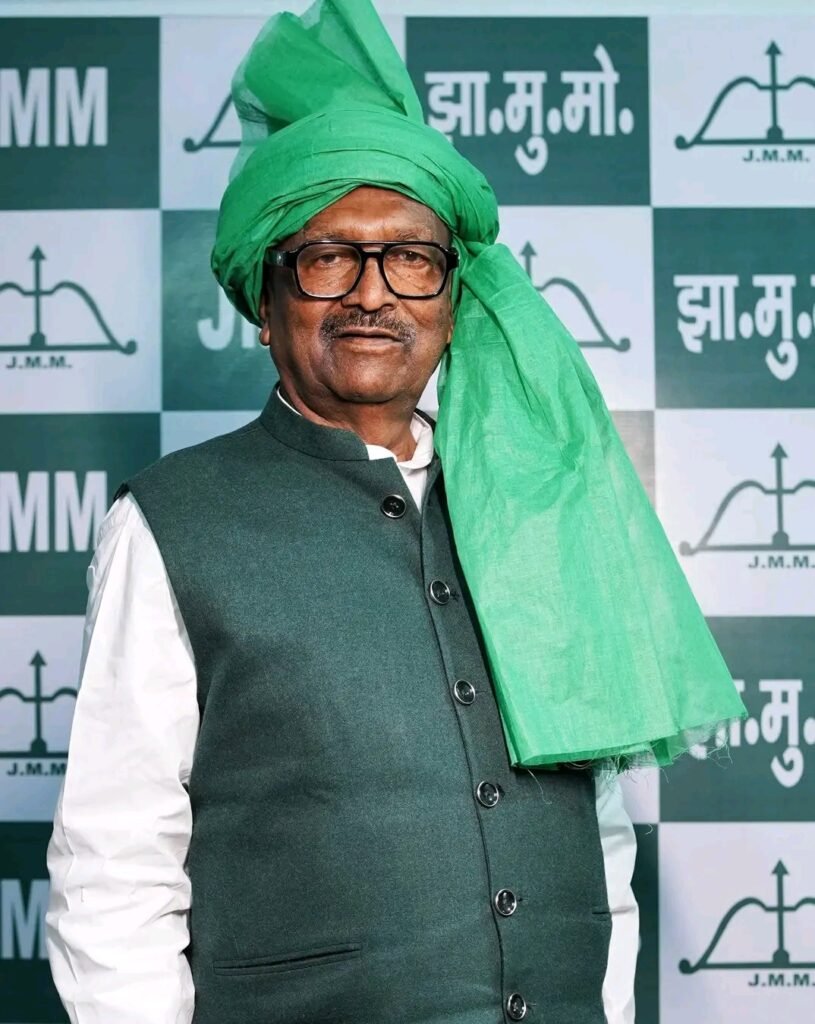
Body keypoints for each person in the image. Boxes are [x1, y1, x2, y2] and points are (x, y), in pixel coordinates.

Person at [46, 2, 745, 1023]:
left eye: (411, 258)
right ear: (265, 300)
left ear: (451, 301)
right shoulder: (173, 521)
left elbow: (595, 834)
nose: (371, 294)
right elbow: (114, 868)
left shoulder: (544, 503)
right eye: (328, 256)